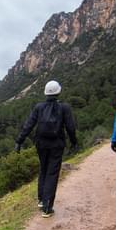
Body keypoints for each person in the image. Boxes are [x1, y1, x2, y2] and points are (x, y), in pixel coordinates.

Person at [15, 80, 78, 218]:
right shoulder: (64, 108)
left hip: (41, 144)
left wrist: (19, 141)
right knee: (52, 173)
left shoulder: (39, 107)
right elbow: (70, 128)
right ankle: (47, 207)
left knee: (43, 169)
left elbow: (29, 124)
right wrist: (74, 143)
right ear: (58, 91)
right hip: (57, 144)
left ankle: (41, 199)